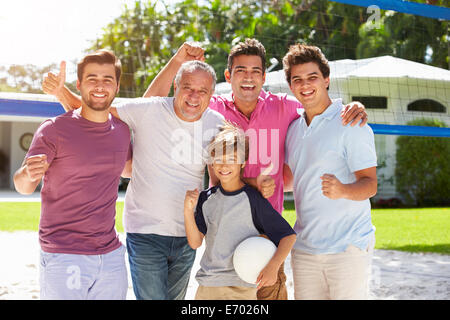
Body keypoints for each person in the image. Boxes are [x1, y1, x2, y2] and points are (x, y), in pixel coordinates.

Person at [145, 39, 369, 300]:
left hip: (267, 238)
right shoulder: (211, 108)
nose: (248, 78)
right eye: (240, 70)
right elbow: (150, 107)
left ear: (264, 77)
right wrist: (177, 61)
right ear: (228, 76)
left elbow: (320, 105)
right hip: (222, 239)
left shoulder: (285, 107)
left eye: (255, 71)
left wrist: (353, 106)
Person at [14, 50, 132, 300]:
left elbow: (129, 169)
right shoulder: (54, 129)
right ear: (78, 84)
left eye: (107, 79)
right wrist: (28, 173)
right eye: (92, 78)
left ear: (117, 86)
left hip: (111, 256)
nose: (100, 85)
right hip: (65, 254)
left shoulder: (122, 131)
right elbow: (23, 185)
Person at [283, 44, 378, 300]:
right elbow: (292, 179)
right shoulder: (293, 129)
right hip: (304, 249)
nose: (305, 85)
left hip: (347, 248)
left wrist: (344, 190)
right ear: (291, 86)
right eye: (297, 79)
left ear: (326, 79)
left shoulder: (351, 122)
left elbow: (370, 184)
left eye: (312, 77)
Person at [184, 121, 296, 300]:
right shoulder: (206, 200)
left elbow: (288, 236)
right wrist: (188, 212)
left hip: (241, 288)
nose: (224, 166)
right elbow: (195, 242)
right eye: (218, 160)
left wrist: (273, 267)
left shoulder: (253, 199)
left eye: (231, 160)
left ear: (242, 163)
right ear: (211, 163)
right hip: (208, 285)